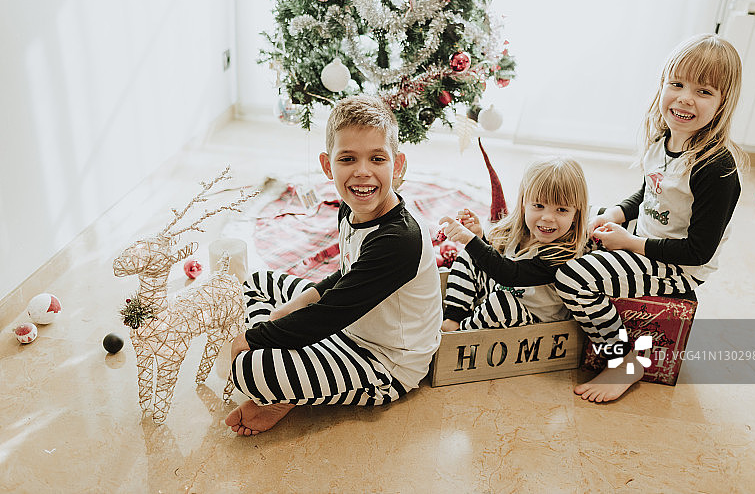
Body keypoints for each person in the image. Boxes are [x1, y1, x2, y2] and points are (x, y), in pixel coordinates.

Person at [225, 95, 442, 435]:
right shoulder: (352, 207)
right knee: (257, 281)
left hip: (385, 363)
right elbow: (348, 275)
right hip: (347, 325)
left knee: (249, 368)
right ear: (328, 165)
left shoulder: (399, 239)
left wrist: (256, 337)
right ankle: (294, 381)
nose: (362, 172)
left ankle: (287, 391)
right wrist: (297, 305)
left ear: (397, 165)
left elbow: (333, 313)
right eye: (348, 159)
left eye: (377, 158)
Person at [554, 33, 749, 403]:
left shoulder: (716, 168)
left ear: (724, 102)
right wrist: (617, 213)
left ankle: (624, 361)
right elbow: (650, 191)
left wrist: (629, 244)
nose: (686, 98)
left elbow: (698, 251)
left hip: (677, 268)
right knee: (576, 222)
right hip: (645, 240)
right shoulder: (666, 139)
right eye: (676, 84)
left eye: (704, 92)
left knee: (573, 277)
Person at [438, 157, 589, 332]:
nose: (548, 217)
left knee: (500, 304)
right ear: (524, 203)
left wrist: (472, 241)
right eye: (539, 205)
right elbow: (493, 262)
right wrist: (479, 237)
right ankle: (454, 317)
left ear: (576, 214)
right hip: (500, 295)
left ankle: (459, 334)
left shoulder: (563, 256)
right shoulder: (517, 235)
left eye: (561, 210)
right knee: (469, 256)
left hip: (532, 321)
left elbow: (509, 274)